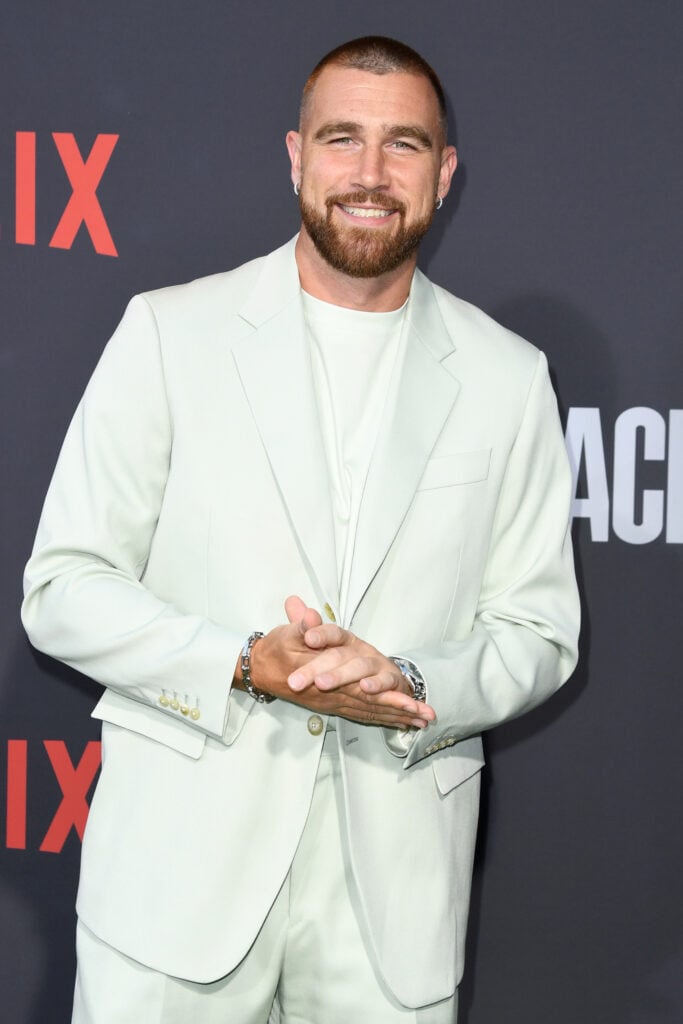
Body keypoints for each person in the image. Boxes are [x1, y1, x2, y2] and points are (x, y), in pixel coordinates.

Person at [22, 35, 580, 1024]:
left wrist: (410, 687)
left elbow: (537, 632)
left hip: (390, 911)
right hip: (172, 896)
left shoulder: (507, 378)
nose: (369, 174)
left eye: (402, 145)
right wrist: (240, 661)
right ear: (294, 156)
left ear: (443, 175)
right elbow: (63, 587)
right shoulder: (169, 334)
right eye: (341, 140)